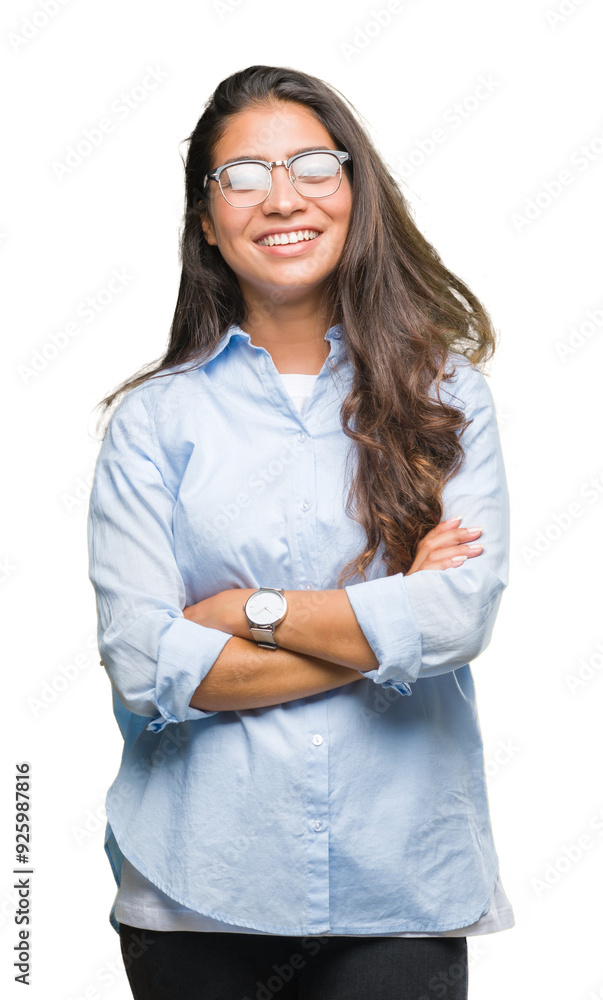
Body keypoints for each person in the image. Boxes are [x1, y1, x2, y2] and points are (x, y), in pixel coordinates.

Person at [87, 64, 514, 1000]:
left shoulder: (446, 399)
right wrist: (385, 623)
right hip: (195, 885)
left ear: (355, 189)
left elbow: (456, 619)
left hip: (397, 882)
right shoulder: (153, 424)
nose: (280, 198)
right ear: (207, 218)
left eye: (313, 166)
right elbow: (143, 661)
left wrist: (247, 611)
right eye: (241, 175)